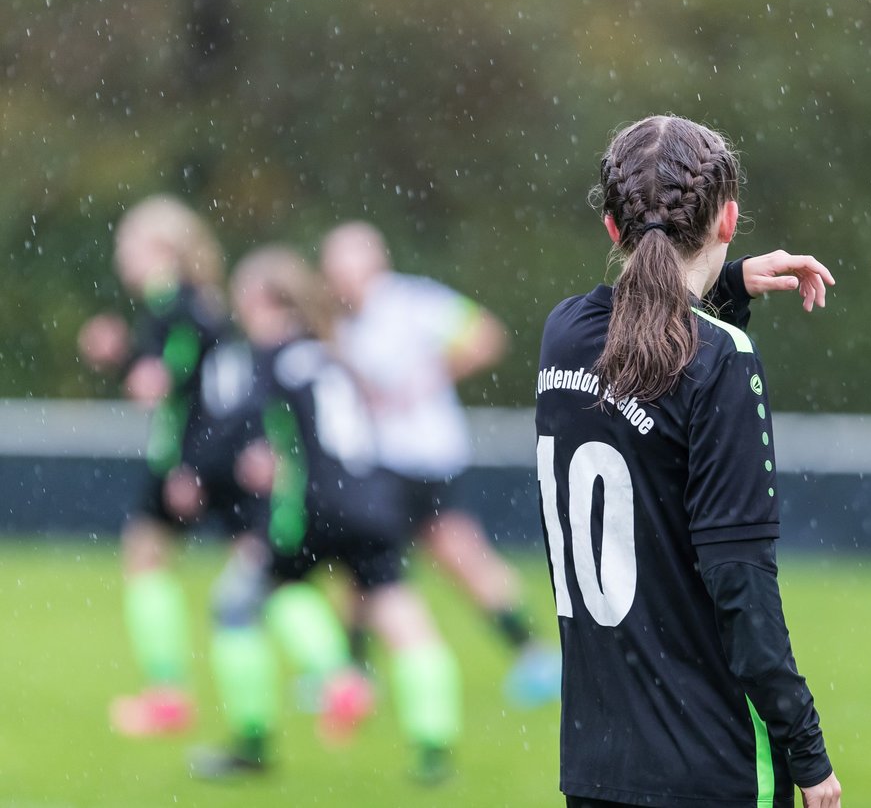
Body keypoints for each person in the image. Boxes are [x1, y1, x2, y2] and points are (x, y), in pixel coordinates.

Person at [535, 114, 841, 808]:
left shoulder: (562, 335)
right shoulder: (723, 357)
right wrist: (808, 752)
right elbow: (741, 586)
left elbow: (644, 350)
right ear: (728, 217)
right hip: (709, 764)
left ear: (612, 227)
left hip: (596, 763)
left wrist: (726, 286)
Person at [192, 247, 460, 784]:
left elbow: (238, 424)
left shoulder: (273, 354)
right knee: (403, 620)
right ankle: (433, 751)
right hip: (372, 500)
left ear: (262, 300)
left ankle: (272, 729)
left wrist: (215, 465)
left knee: (238, 604)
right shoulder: (330, 353)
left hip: (313, 506)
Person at [320, 222, 558, 704]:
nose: (343, 278)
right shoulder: (338, 322)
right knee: (366, 569)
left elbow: (486, 335)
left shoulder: (411, 303)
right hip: (379, 463)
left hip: (420, 461)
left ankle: (531, 656)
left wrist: (428, 378)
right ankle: (356, 673)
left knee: (451, 561)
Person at [77, 195, 230, 736]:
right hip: (224, 455)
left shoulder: (174, 305)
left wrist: (117, 354)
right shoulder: (202, 304)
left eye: (128, 244)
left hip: (190, 459)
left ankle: (167, 697)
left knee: (145, 560)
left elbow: (155, 387)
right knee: (265, 569)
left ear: (161, 248)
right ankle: (337, 683)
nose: (122, 256)